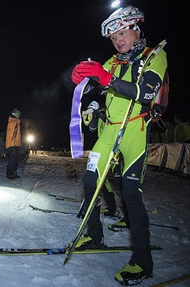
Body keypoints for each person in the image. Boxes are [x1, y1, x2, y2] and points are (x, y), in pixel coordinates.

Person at [71, 5, 167, 285]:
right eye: (113, 37)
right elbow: (99, 86)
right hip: (109, 131)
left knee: (131, 194)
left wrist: (105, 78)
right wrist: (84, 80)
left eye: (122, 33)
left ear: (136, 30)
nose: (118, 41)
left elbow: (145, 93)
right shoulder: (114, 61)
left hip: (135, 127)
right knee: (91, 182)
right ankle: (94, 234)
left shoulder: (154, 56)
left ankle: (142, 262)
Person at [5, 108, 21, 179]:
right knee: (12, 160)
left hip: (15, 144)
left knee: (16, 160)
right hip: (12, 145)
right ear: (15, 114)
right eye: (18, 114)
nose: (19, 116)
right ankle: (9, 174)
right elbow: (12, 135)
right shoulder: (13, 123)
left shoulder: (16, 122)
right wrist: (13, 145)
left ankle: (14, 173)